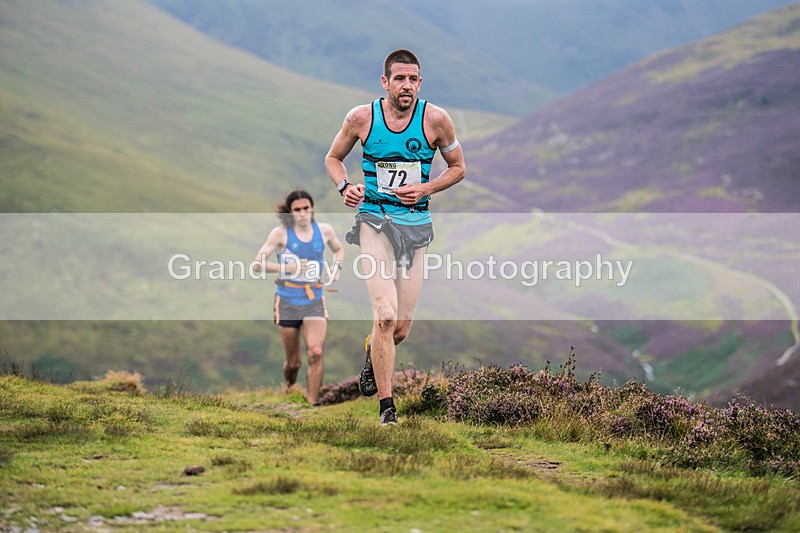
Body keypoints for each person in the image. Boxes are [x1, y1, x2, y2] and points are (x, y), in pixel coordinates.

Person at [325, 49, 466, 426]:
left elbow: (458, 168)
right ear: (384, 82)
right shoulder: (361, 118)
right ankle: (388, 410)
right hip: (374, 221)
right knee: (385, 315)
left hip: (416, 227)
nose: (407, 86)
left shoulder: (436, 120)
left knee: (398, 329)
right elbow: (333, 158)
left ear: (421, 83)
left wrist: (426, 188)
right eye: (399, 79)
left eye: (413, 79)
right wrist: (345, 187)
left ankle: (374, 347)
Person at [251, 189, 344, 406]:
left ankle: (311, 404)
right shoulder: (280, 233)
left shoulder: (325, 231)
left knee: (316, 352)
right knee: (294, 363)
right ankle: (290, 386)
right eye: (297, 210)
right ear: (290, 212)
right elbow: (257, 265)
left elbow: (338, 250)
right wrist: (288, 267)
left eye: (306, 208)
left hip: (314, 298)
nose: (302, 213)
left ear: (312, 209)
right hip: (287, 301)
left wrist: (336, 268)